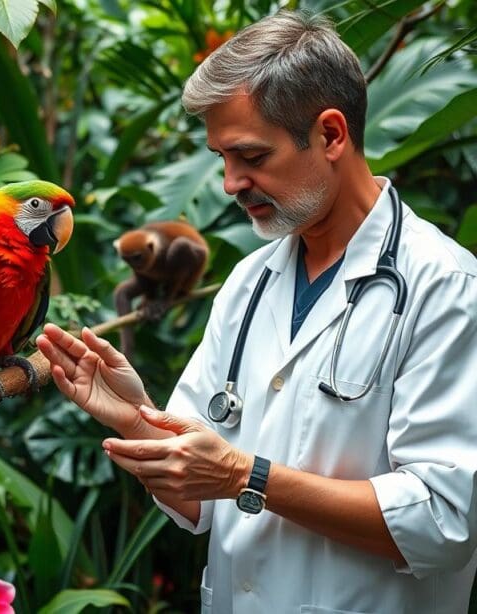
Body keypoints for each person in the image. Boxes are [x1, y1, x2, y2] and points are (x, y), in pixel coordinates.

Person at [36, 9, 477, 614]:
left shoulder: (443, 286)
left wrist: (249, 477)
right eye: (221, 157)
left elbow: (445, 520)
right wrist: (137, 419)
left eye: (250, 156)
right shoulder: (249, 283)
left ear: (330, 135)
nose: (228, 183)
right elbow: (202, 498)